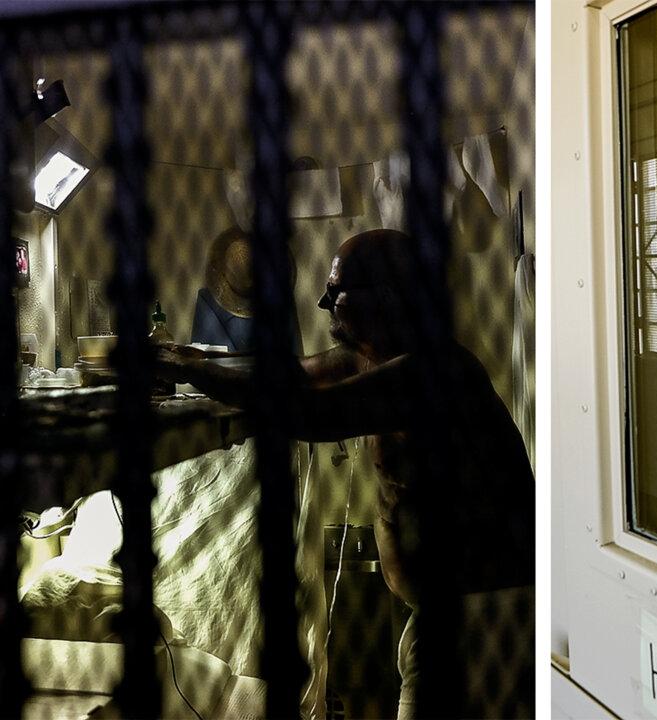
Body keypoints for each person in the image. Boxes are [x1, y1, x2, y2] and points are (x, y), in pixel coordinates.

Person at [156, 228, 535, 717]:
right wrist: (189, 360)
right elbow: (287, 377)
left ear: (388, 297)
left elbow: (307, 414)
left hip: (486, 620)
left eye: (337, 292)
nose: (321, 301)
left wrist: (193, 374)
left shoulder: (432, 372)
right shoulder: (370, 358)